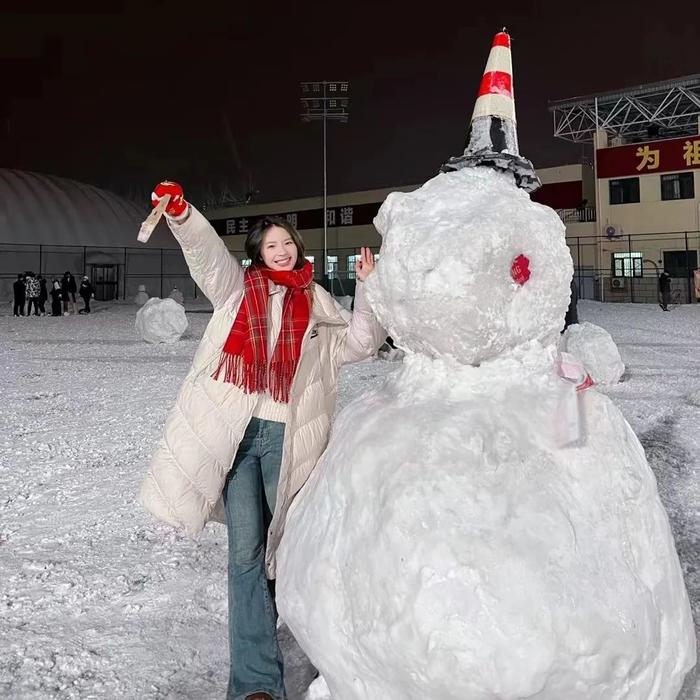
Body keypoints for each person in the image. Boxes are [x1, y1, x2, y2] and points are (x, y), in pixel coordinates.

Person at [138, 181, 385, 700]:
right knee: (245, 557)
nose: (282, 250)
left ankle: (324, 648)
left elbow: (360, 343)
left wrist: (368, 287)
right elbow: (205, 256)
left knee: (286, 552)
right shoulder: (235, 290)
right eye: (271, 245)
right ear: (257, 254)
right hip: (235, 441)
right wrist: (182, 214)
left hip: (288, 439)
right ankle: (255, 683)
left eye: (287, 243)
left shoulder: (314, 299)